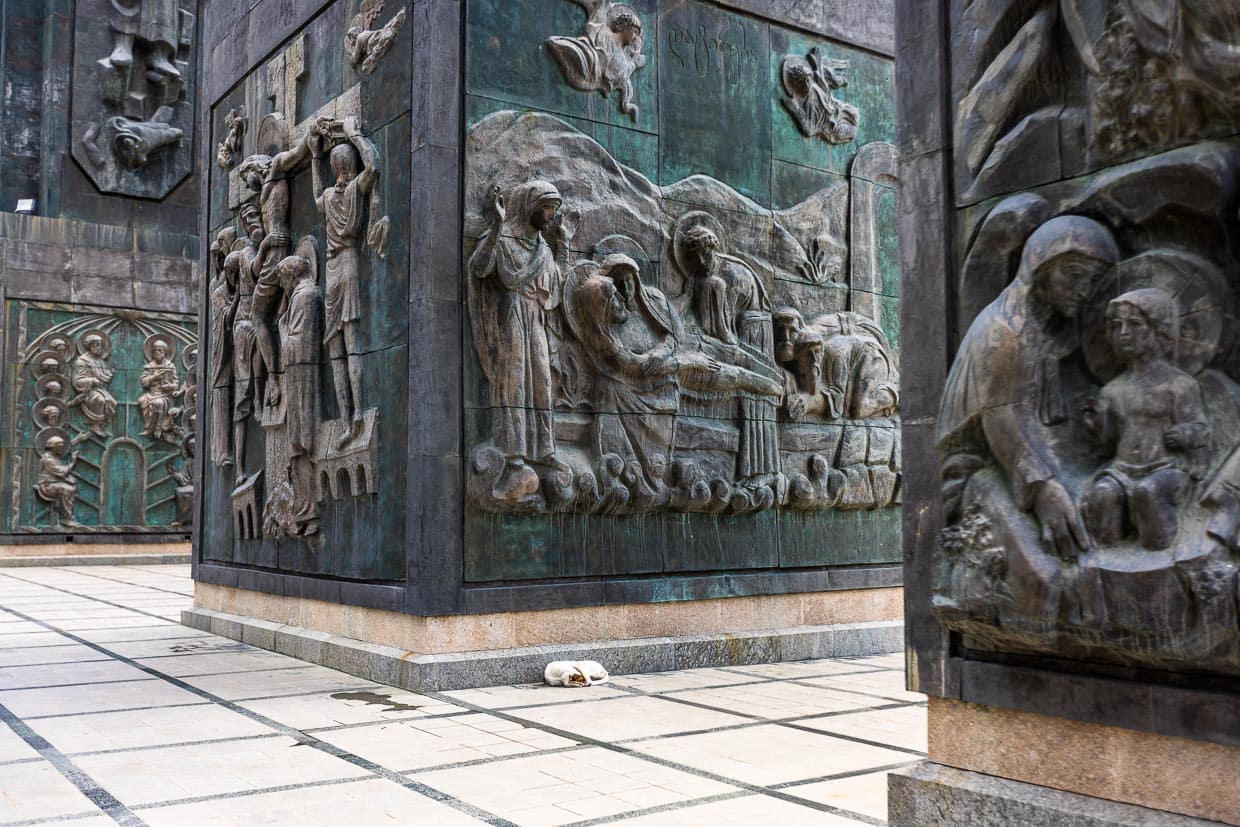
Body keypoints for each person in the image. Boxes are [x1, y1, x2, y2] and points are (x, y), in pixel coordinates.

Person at [937, 215, 1119, 559]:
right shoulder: (1004, 332)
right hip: (978, 471)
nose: (1083, 289)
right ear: (1039, 268)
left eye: (1093, 280)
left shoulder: (1052, 330)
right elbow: (1001, 419)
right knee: (1044, 567)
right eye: (1073, 275)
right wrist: (1043, 489)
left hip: (1030, 459)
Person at [467, 179, 575, 502]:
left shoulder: (543, 249)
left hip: (536, 321)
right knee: (515, 383)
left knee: (541, 381)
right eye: (546, 208)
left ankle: (545, 448)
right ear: (529, 207)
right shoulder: (504, 240)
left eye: (554, 210)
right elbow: (479, 267)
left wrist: (565, 244)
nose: (551, 216)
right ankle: (514, 456)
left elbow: (556, 289)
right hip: (511, 319)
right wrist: (498, 226)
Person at [1081, 288, 1209, 550]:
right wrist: (1098, 427)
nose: (1124, 333)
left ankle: (1159, 555)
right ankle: (1105, 559)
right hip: (1121, 469)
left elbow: (1201, 430)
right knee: (1103, 496)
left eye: (1135, 324)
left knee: (1147, 493)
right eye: (1117, 326)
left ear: (1160, 330)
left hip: (1165, 468)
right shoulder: (1112, 390)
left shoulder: (1179, 385)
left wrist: (1185, 434)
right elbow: (1107, 445)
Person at [683, 225, 783, 488]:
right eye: (696, 257)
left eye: (706, 254)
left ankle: (763, 471)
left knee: (755, 401)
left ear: (714, 248)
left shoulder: (728, 276)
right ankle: (749, 471)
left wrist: (709, 344)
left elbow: (724, 335)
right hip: (734, 334)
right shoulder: (703, 277)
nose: (702, 262)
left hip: (753, 329)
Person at [309, 116, 378, 447]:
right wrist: (356, 135)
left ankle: (346, 419)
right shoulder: (354, 189)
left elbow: (314, 195)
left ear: (333, 166)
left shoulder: (327, 195)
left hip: (332, 270)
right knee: (352, 348)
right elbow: (374, 167)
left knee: (336, 351)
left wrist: (312, 157)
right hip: (348, 265)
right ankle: (359, 413)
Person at [70, 334, 117, 439]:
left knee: (112, 402)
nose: (99, 348)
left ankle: (102, 425)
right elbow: (77, 381)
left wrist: (108, 375)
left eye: (100, 345)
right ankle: (95, 425)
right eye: (96, 345)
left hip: (99, 389)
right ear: (90, 346)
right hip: (87, 391)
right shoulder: (82, 362)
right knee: (100, 400)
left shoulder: (100, 361)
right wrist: (91, 380)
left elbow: (103, 376)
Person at [138, 339, 182, 442]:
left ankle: (158, 427)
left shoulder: (170, 366)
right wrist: (154, 377)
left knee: (158, 403)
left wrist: (171, 386)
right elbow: (144, 382)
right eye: (155, 350)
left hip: (165, 395)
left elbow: (176, 383)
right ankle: (149, 428)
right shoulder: (149, 366)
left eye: (160, 351)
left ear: (165, 352)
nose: (157, 353)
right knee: (141, 400)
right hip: (151, 393)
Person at [35, 435, 80, 527]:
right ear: (54, 448)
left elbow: (57, 474)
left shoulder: (54, 456)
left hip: (53, 483)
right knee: (67, 489)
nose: (62, 449)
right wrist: (73, 462)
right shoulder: (48, 459)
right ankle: (66, 519)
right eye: (60, 447)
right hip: (47, 486)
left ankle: (64, 512)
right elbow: (62, 472)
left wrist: (68, 480)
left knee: (72, 487)